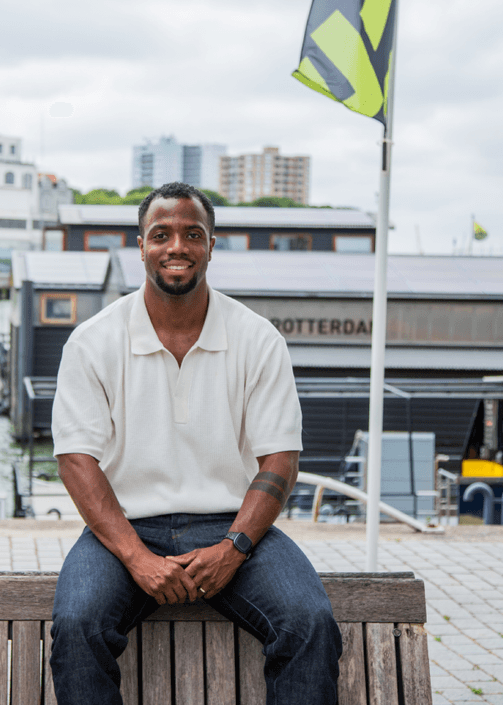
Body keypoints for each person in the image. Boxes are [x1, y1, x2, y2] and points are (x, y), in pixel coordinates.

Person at [49, 182, 342, 705]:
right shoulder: (93, 340)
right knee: (77, 625)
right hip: (124, 528)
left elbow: (280, 458)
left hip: (234, 526)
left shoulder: (257, 338)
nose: (176, 247)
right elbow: (76, 459)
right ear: (140, 245)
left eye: (192, 234)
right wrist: (137, 558)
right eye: (160, 234)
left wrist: (234, 548)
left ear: (212, 245)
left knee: (310, 622)